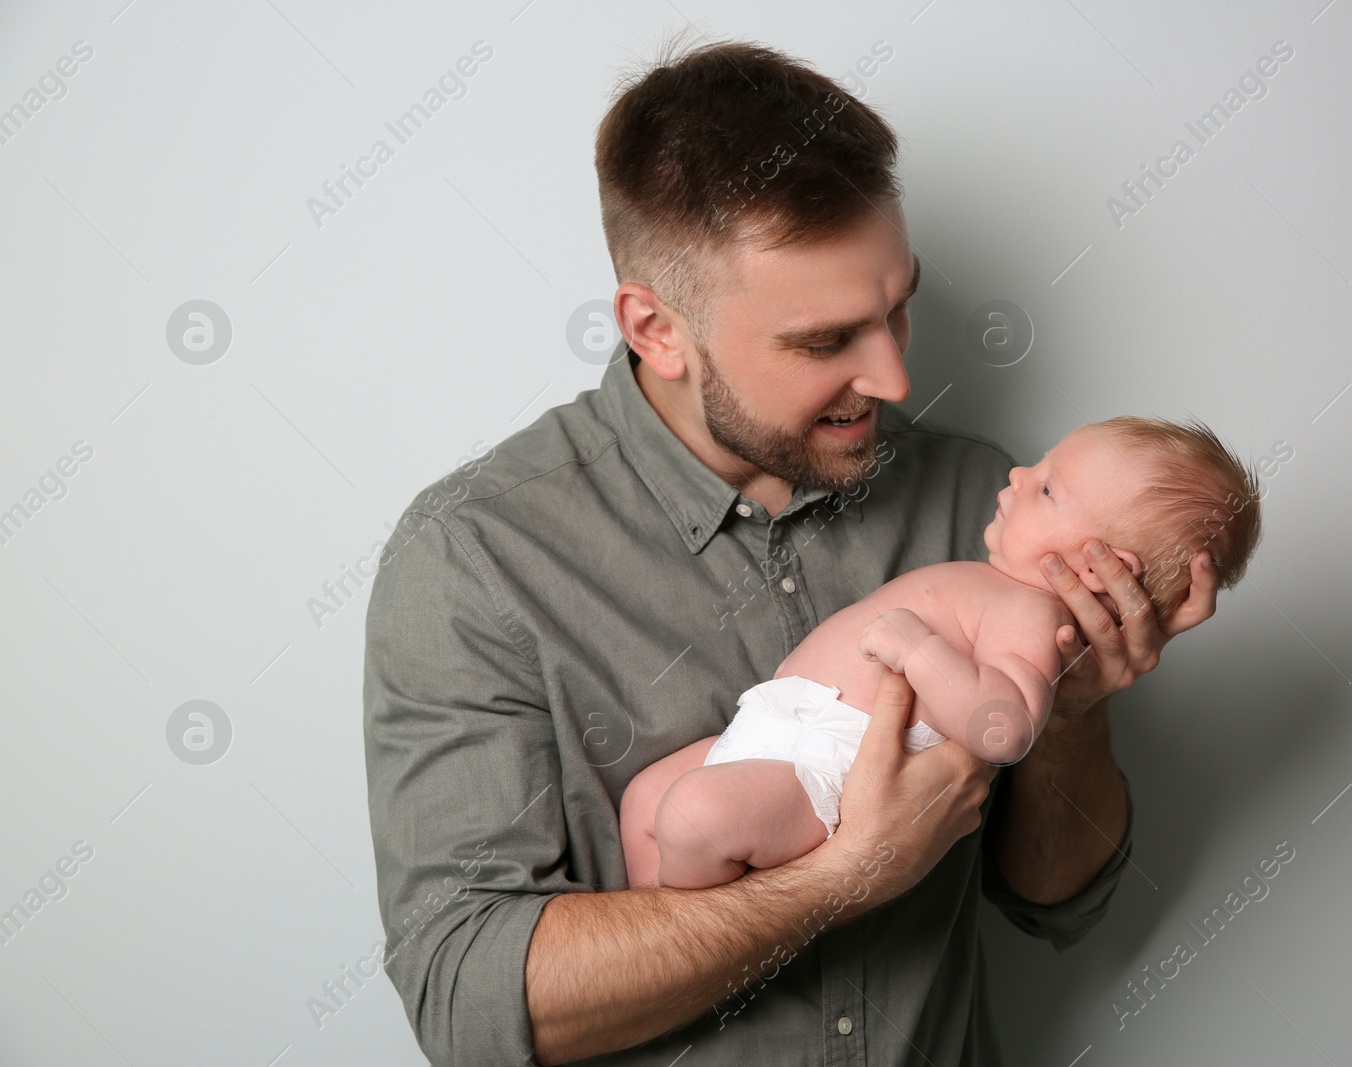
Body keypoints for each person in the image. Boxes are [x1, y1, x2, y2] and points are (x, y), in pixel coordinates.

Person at [363, 37, 1220, 1066]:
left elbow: (1055, 902)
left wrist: (1076, 715)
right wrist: (845, 874)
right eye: (826, 341)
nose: (896, 376)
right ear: (658, 329)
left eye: (898, 306)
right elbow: (472, 1004)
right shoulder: (474, 560)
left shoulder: (979, 506)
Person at [621, 418, 1261, 889]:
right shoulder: (995, 583)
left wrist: (921, 650)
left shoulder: (1032, 616)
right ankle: (662, 934)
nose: (1016, 475)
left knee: (694, 815)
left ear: (1100, 569)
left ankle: (696, 944)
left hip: (826, 767)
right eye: (1039, 465)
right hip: (777, 729)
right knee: (646, 799)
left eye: (1047, 491)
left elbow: (1005, 728)